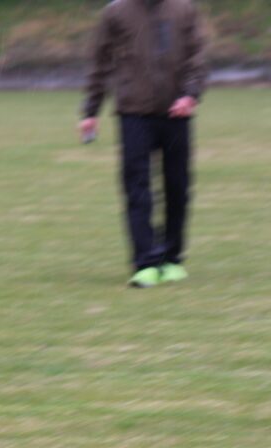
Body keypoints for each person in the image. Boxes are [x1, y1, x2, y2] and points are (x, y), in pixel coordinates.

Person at [80, 0, 208, 288]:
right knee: (137, 188)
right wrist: (90, 111)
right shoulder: (115, 12)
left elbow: (197, 57)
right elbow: (100, 63)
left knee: (177, 188)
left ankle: (172, 259)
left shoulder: (184, 9)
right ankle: (146, 263)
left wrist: (190, 95)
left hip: (176, 113)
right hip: (134, 114)